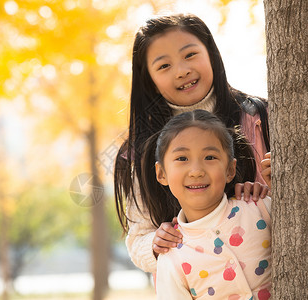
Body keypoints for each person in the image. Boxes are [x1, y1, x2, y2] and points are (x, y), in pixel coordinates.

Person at [114, 13, 271, 274]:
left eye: (189, 55)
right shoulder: (140, 151)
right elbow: (138, 237)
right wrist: (155, 243)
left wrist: (274, 186)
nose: (182, 70)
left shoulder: (259, 118)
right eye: (164, 66)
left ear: (211, 53)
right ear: (148, 79)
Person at [141, 109, 271, 299]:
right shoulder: (171, 257)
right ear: (161, 174)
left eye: (209, 157)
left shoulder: (259, 207)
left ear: (230, 169)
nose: (196, 171)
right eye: (182, 158)